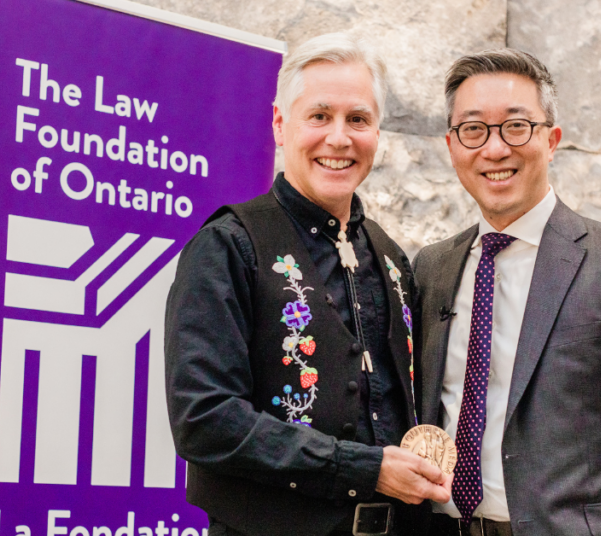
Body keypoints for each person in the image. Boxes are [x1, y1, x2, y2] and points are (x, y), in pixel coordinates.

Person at [413, 49, 601, 536]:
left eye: (516, 126)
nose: (494, 149)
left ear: (551, 140)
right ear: (451, 146)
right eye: (473, 129)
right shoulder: (432, 267)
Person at [165, 33, 450, 536]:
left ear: (377, 133)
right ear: (280, 124)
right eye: (319, 116)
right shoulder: (228, 246)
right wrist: (363, 468)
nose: (339, 138)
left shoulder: (392, 259)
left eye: (358, 119)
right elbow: (204, 419)